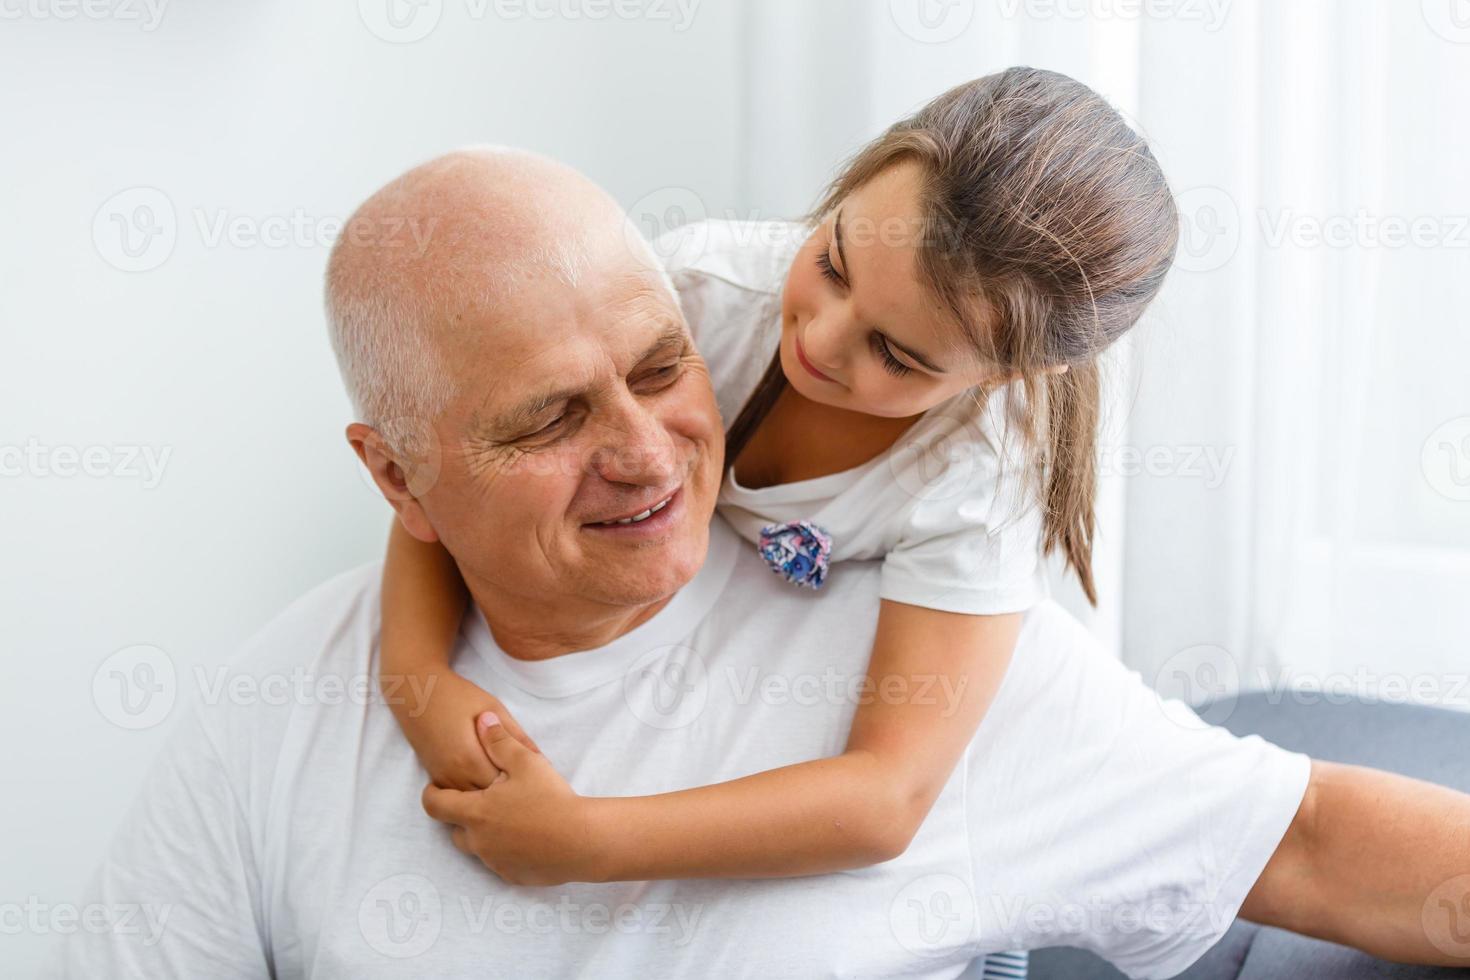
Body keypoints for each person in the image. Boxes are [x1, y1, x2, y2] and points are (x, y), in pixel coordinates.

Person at [55, 143, 1470, 980]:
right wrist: (423, 691)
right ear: (396, 477)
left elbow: (1318, 842)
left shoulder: (948, 665)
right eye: (550, 419)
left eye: (661, 367)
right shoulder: (281, 702)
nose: (651, 454)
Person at [376, 69, 1172, 904]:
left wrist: (590, 841)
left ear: (1016, 371)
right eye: (832, 263)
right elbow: (469, 462)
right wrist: (417, 675)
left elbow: (884, 799)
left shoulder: (979, 477)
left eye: (897, 355)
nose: (822, 342)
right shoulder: (698, 295)